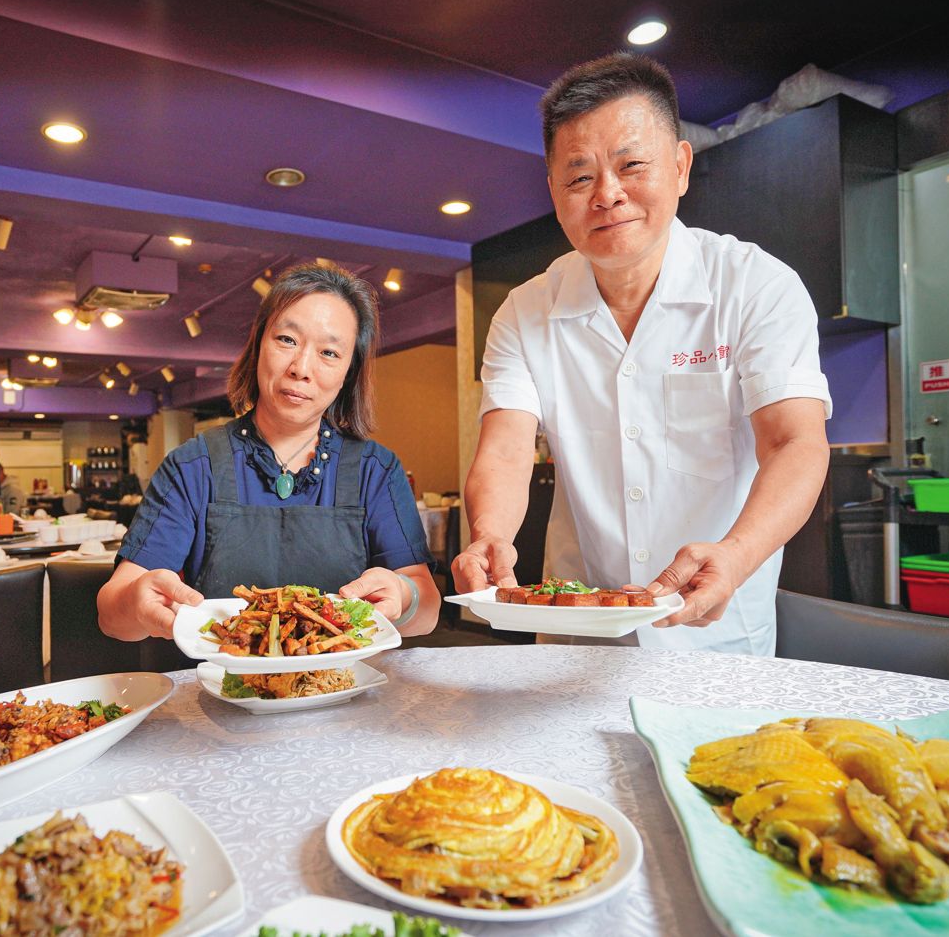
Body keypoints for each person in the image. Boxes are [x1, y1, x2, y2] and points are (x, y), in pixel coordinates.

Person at [452, 53, 831, 655]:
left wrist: (735, 557)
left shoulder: (756, 285)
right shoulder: (525, 312)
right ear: (553, 191)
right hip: (577, 633)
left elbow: (795, 443)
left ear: (680, 166)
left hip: (715, 633)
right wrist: (489, 534)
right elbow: (504, 449)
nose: (608, 195)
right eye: (579, 178)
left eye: (632, 166)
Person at [98, 264, 441, 640]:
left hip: (344, 689)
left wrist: (405, 596)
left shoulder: (376, 470)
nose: (301, 368)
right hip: (220, 690)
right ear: (259, 343)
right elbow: (112, 616)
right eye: (287, 340)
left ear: (349, 371)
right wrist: (135, 601)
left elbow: (426, 611)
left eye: (329, 352)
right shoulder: (192, 466)